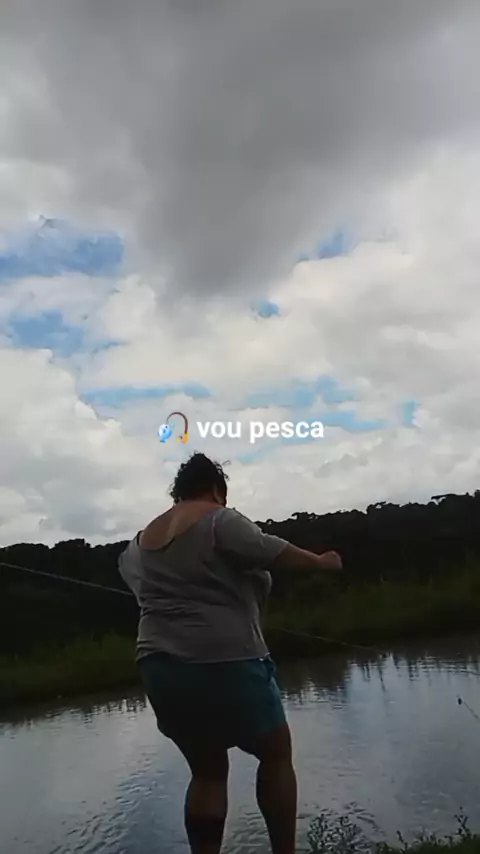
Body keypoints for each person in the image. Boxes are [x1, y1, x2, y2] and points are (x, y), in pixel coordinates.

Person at [118, 452, 342, 854]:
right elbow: (269, 549)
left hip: (159, 667)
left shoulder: (136, 545)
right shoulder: (219, 519)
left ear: (178, 491)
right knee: (275, 755)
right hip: (226, 659)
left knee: (207, 772)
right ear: (216, 489)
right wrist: (321, 562)